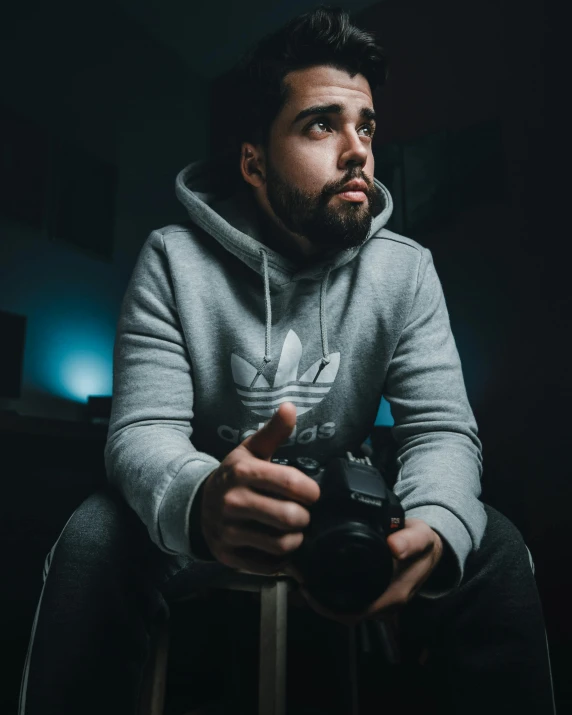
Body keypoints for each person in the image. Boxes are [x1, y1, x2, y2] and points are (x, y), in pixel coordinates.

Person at [19, 5, 556, 714]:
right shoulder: (172, 259)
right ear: (253, 162)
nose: (358, 147)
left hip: (347, 514)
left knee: (492, 544)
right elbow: (140, 431)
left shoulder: (406, 270)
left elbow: (441, 430)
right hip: (205, 519)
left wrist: (434, 524)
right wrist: (200, 499)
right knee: (92, 536)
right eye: (320, 124)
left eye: (364, 124)